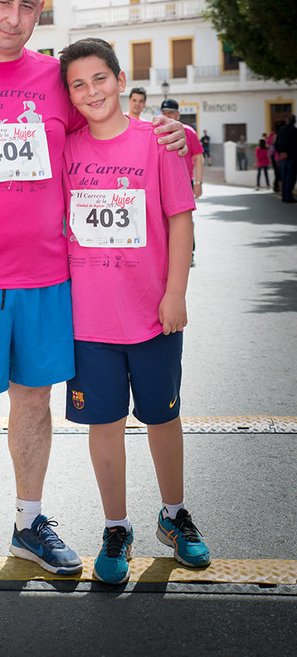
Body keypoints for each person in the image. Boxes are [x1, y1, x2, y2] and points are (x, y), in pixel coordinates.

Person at [0, 0, 187, 612]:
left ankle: (29, 524)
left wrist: (175, 133)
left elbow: (112, 131)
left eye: (29, 6)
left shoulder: (53, 80)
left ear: (39, 12)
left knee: (34, 406)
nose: (15, 17)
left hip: (48, 282)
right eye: (4, 2)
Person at [60, 38, 210, 585]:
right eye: (78, 84)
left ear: (121, 81)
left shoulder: (158, 142)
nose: (91, 91)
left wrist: (176, 292)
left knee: (162, 418)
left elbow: (180, 218)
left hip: (152, 314)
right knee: (104, 425)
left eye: (99, 78)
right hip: (88, 320)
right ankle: (116, 527)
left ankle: (174, 515)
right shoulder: (65, 148)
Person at [160, 99, 203, 266]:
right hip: (164, 183)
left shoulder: (188, 132)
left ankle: (189, 253)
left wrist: (198, 183)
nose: (168, 116)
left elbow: (198, 158)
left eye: (171, 112)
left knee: (185, 219)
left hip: (185, 183)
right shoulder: (157, 132)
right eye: (165, 113)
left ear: (178, 114)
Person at [276, 114, 297, 203]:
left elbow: (277, 144)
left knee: (284, 177)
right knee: (291, 177)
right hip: (292, 157)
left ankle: (284, 196)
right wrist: (288, 153)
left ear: (287, 121)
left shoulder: (281, 131)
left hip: (283, 157)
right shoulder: (295, 131)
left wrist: (281, 153)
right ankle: (288, 196)